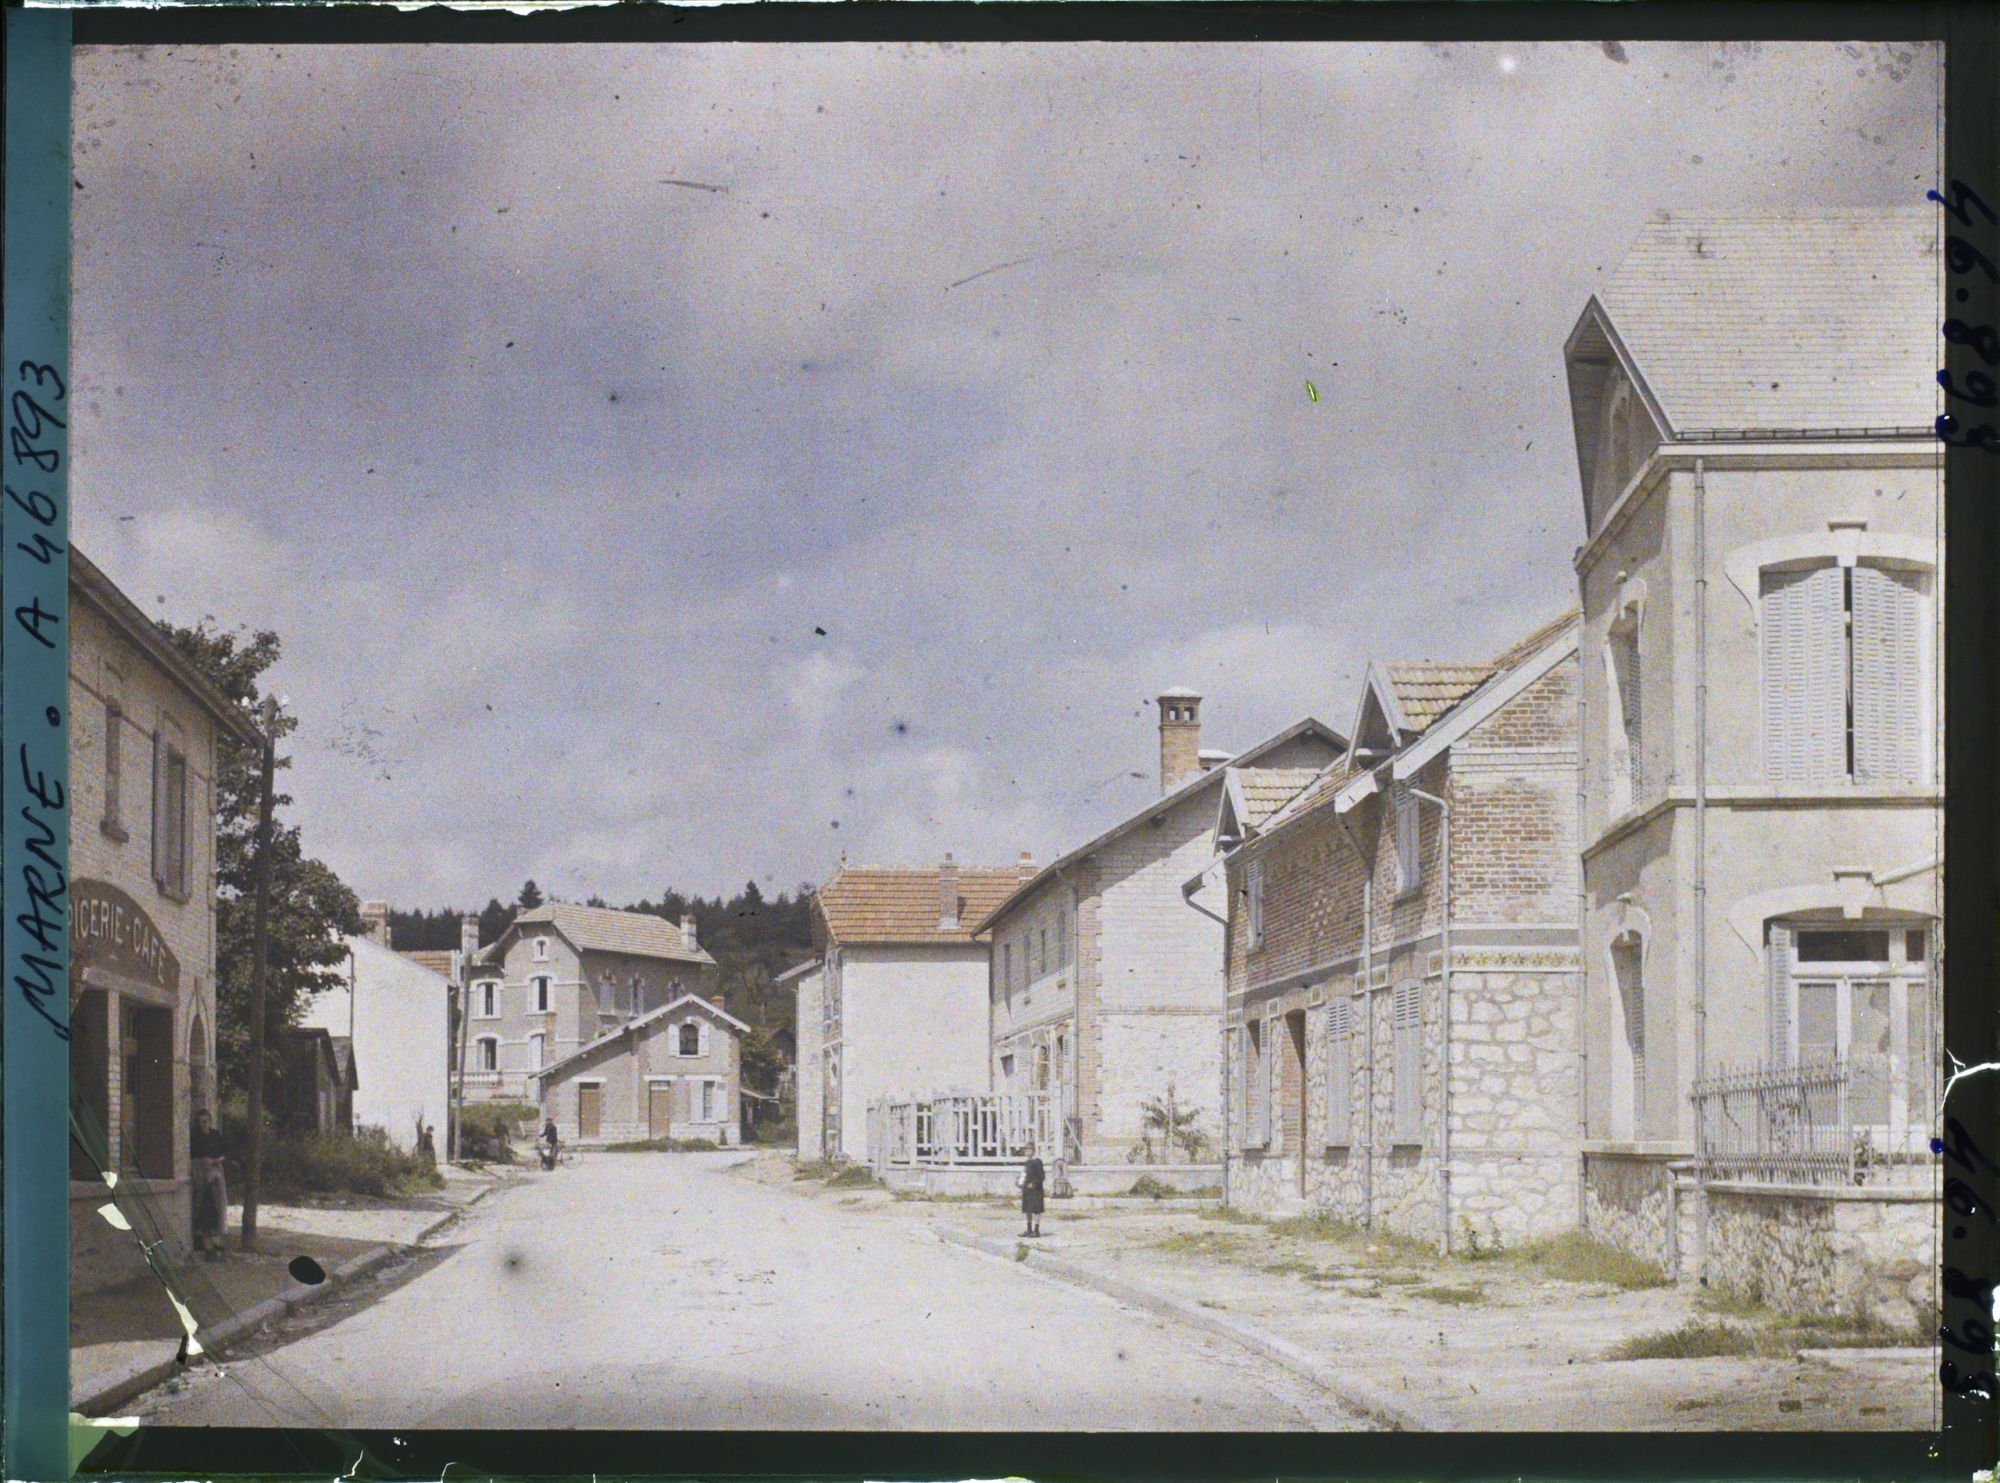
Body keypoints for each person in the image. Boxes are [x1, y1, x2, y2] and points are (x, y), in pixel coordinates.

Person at [189, 1108, 228, 1260]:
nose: (202, 1125)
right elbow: (194, 1157)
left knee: (218, 1206)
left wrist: (216, 1161)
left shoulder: (215, 1135)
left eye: (205, 1122)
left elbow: (224, 1153)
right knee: (205, 1207)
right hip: (202, 1177)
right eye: (199, 1122)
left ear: (210, 1122)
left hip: (216, 1174)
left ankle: (216, 1239)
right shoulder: (196, 1138)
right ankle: (206, 1243)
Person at [1018, 1144, 1046, 1238]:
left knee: (1036, 1210)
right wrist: (1019, 1182)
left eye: (1029, 1150)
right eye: (1026, 1150)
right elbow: (1025, 1174)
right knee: (1027, 1210)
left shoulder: (1037, 1161)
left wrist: (1034, 1184)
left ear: (1033, 1151)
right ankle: (1029, 1230)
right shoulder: (1027, 1162)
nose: (1027, 1152)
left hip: (1036, 1190)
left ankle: (1036, 1230)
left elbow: (1041, 1176)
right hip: (1027, 1190)